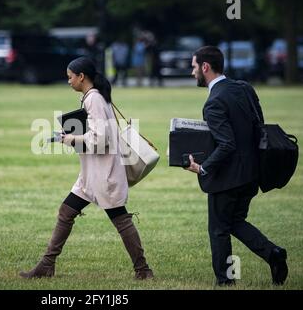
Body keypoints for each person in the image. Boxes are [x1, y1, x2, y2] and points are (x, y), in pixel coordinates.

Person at [19, 56, 154, 280]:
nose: (69, 81)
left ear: (82, 77)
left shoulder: (94, 99)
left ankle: (143, 270)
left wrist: (70, 138)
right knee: (66, 212)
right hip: (91, 175)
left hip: (104, 175)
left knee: (120, 219)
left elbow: (100, 139)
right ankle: (46, 265)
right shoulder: (93, 97)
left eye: (70, 77)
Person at [185, 46, 288, 286]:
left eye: (193, 67)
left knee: (219, 229)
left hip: (228, 179)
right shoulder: (244, 88)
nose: (192, 72)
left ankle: (225, 281)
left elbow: (226, 144)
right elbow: (257, 125)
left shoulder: (214, 102)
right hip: (252, 173)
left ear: (205, 67)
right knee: (234, 222)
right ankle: (273, 253)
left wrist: (202, 168)